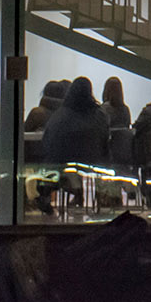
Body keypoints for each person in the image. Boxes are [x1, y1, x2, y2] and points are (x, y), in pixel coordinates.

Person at [38, 76, 110, 214]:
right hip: (93, 161)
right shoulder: (99, 115)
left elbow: (48, 141)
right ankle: (98, 200)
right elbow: (104, 140)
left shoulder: (60, 115)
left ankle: (45, 195)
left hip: (63, 162)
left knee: (49, 164)